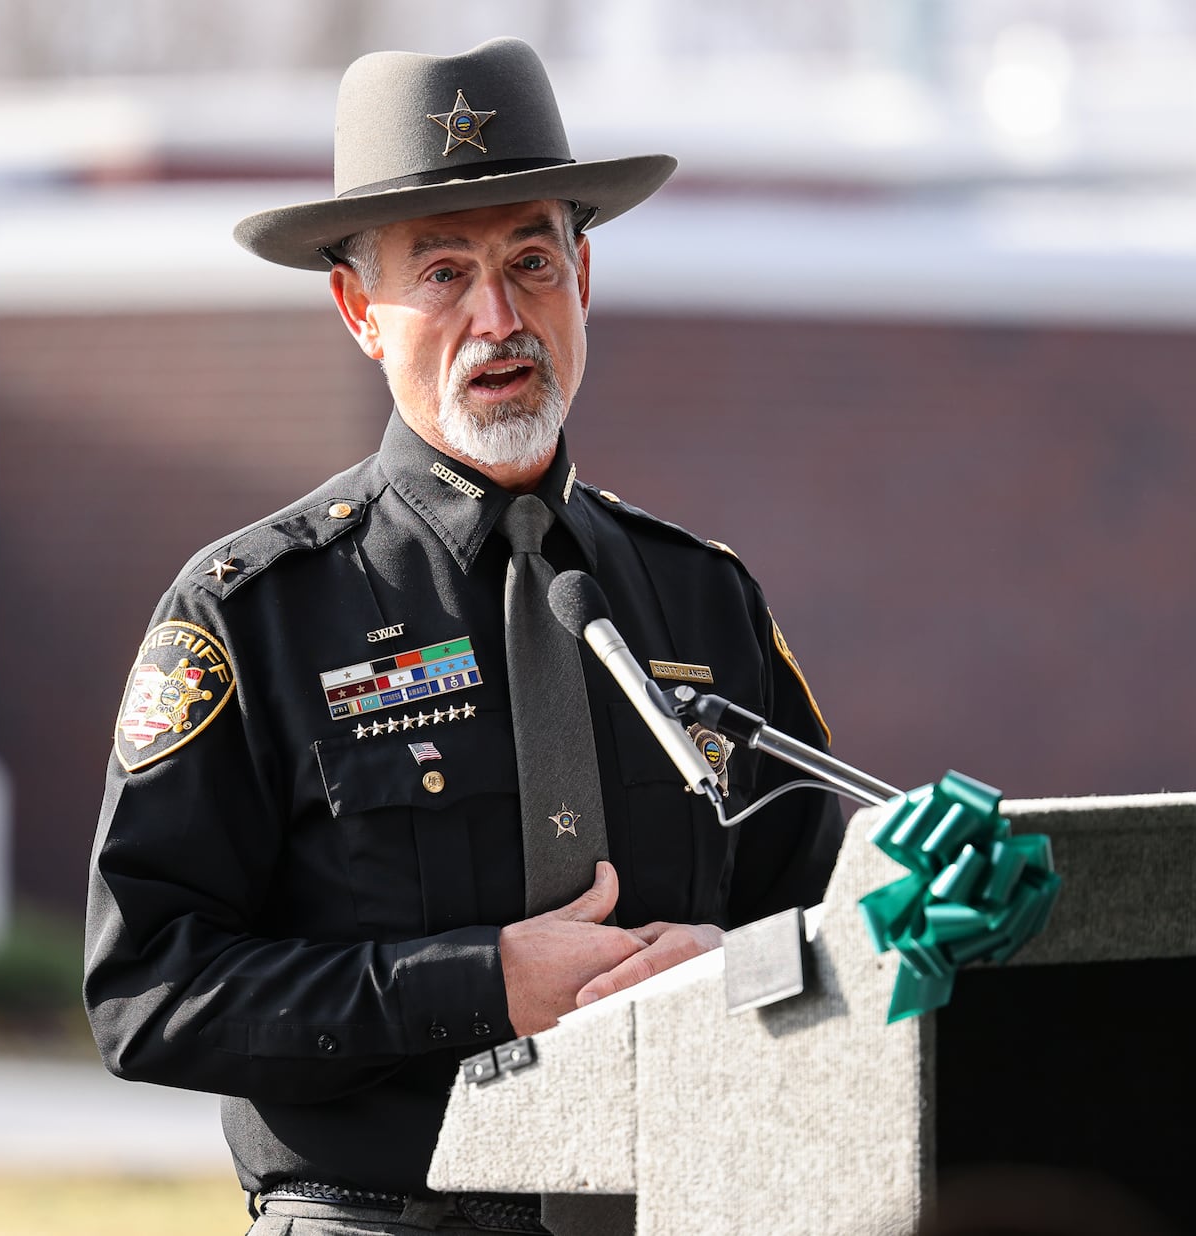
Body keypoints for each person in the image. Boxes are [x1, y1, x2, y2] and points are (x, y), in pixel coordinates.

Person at [83, 36, 844, 1236]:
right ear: (358, 311)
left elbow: (821, 920)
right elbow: (150, 993)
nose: (499, 317)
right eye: (441, 274)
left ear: (583, 278)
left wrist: (726, 971)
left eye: (530, 261)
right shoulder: (254, 610)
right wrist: (479, 986)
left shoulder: (700, 598)